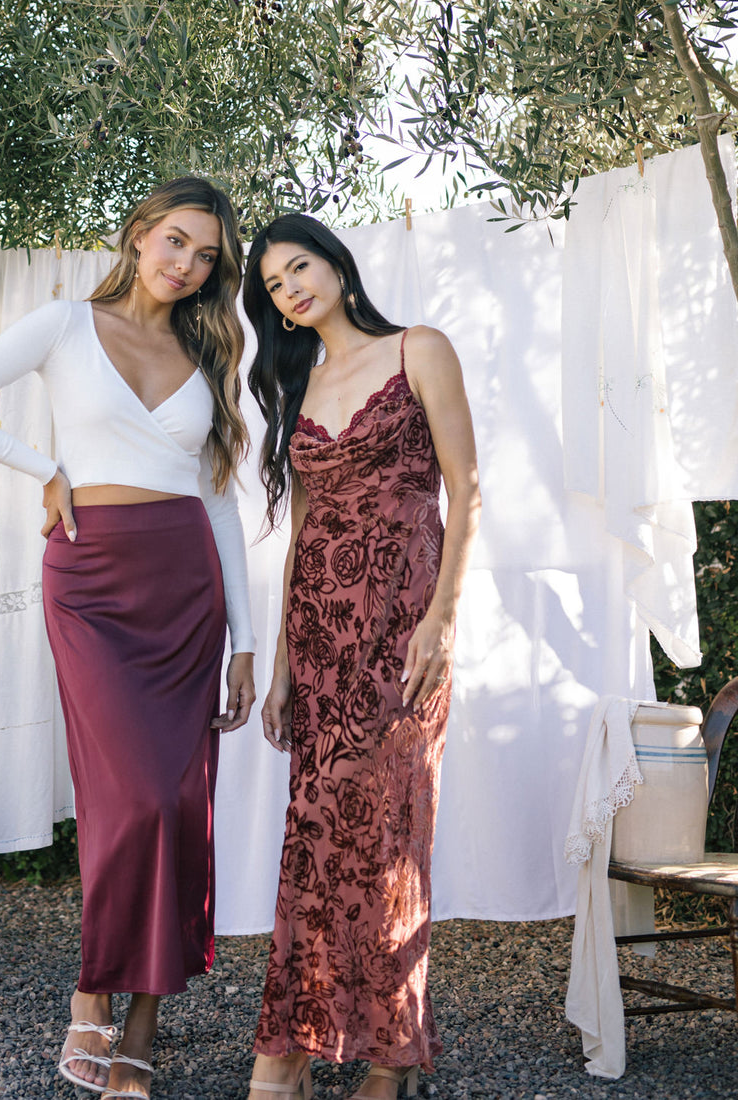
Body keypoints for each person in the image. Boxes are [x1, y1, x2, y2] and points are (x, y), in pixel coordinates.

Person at [0, 177, 256, 1100]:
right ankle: (90, 991)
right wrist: (45, 468)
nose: (187, 266)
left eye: (207, 257)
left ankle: (141, 1020)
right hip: (93, 581)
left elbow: (220, 502)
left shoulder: (210, 351)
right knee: (130, 800)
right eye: (176, 242)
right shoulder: (64, 326)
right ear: (140, 234)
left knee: (182, 804)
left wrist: (247, 642)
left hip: (186, 587)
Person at [241, 214, 480, 1100]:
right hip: (320, 637)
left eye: (299, 266)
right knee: (313, 838)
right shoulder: (294, 379)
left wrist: (442, 619)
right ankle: (291, 1046)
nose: (291, 288)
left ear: (337, 264)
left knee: (388, 838)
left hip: (403, 632)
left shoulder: (421, 348)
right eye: (273, 285)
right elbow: (303, 529)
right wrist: (277, 667)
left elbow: (468, 486)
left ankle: (388, 1059)